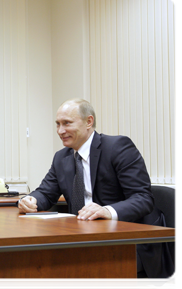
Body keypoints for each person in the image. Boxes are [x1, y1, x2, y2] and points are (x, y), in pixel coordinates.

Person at [18, 98, 175, 287]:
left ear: (89, 122)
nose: (60, 131)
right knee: (37, 260)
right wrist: (31, 199)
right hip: (82, 237)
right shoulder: (62, 157)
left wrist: (108, 211)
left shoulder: (118, 147)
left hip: (128, 242)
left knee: (64, 265)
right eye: (58, 124)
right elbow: (45, 192)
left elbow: (143, 199)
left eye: (67, 123)